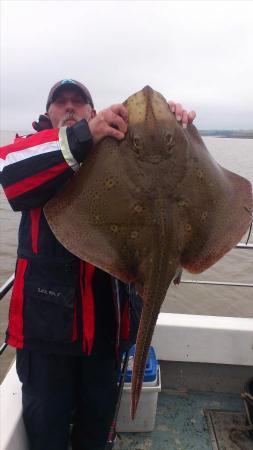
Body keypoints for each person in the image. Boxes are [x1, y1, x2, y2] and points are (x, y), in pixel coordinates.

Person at [0, 79, 196, 450]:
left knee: (95, 435)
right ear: (47, 114)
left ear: (94, 112)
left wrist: (178, 128)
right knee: (47, 437)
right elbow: (10, 176)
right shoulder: (31, 150)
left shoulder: (114, 152)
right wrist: (81, 136)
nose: (69, 106)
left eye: (79, 102)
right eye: (60, 102)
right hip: (46, 338)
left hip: (106, 333)